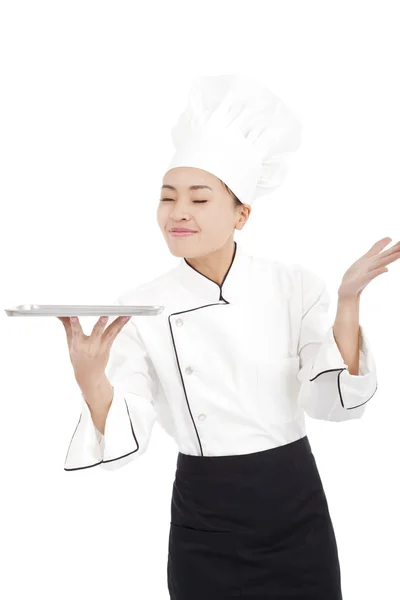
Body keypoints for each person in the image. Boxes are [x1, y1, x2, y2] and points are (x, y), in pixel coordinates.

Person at [60, 74, 385, 599]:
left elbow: (333, 397)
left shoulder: (293, 285)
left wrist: (348, 302)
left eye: (199, 198)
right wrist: (90, 377)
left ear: (242, 214)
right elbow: (129, 418)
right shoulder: (138, 306)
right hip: (205, 511)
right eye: (167, 198)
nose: (178, 212)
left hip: (292, 500)